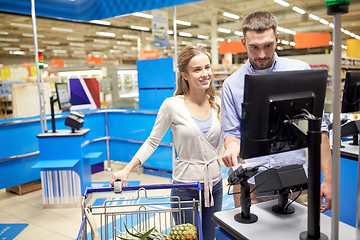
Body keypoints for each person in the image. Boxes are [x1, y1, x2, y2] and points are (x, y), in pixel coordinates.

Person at [221, 11, 332, 213]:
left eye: (268, 46)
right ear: (243, 42)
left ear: (277, 39)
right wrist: (231, 148)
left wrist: (329, 180)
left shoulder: (301, 72)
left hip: (298, 182)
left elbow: (320, 130)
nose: (262, 54)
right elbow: (232, 133)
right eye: (254, 47)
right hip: (253, 186)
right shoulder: (231, 85)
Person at [111, 46, 223, 240]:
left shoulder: (218, 103)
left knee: (211, 238)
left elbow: (231, 136)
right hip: (185, 188)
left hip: (215, 186)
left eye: (207, 67)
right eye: (197, 70)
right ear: (185, 75)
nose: (205, 74)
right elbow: (152, 142)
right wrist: (126, 169)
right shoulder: (172, 105)